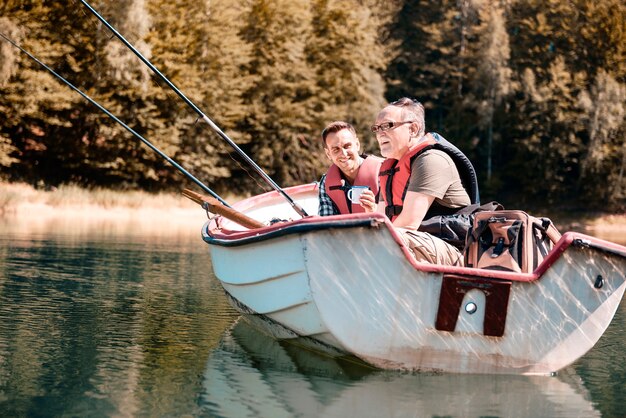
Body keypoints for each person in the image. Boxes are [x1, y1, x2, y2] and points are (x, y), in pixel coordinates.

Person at [360, 98, 478, 265]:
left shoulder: (431, 160)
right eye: (377, 128)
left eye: (387, 126)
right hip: (415, 243)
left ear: (413, 129)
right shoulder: (390, 169)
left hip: (455, 250)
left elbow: (408, 225)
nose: (380, 133)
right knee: (362, 239)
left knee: (389, 238)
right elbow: (381, 221)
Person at [318, 121, 383, 216]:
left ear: (357, 144)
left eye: (347, 146)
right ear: (328, 154)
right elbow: (326, 223)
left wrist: (374, 210)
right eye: (336, 150)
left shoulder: (383, 171)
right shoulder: (325, 182)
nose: (344, 154)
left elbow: (396, 219)